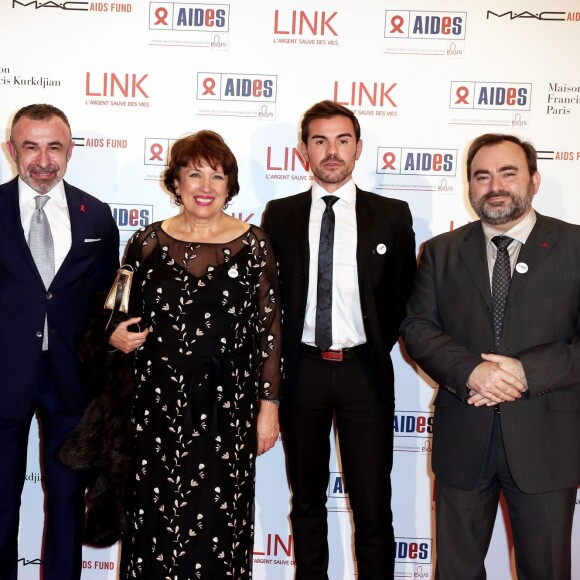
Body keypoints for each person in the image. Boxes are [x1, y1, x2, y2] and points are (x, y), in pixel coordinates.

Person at [401, 133, 580, 580]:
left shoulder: (575, 246)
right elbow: (417, 328)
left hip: (546, 442)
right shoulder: (440, 252)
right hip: (464, 437)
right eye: (482, 176)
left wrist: (524, 371)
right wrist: (474, 371)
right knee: (456, 572)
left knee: (546, 571)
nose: (494, 185)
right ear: (469, 187)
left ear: (534, 180)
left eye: (507, 173)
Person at [108, 130, 282, 579]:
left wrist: (268, 408)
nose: (205, 187)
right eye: (194, 174)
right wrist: (114, 336)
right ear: (176, 182)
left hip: (226, 411)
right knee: (153, 522)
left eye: (217, 176)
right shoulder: (144, 243)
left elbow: (269, 333)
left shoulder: (255, 245)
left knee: (218, 526)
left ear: (230, 185)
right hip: (155, 407)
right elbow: (113, 313)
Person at [262, 100, 416, 579]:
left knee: (373, 505)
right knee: (306, 501)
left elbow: (401, 298)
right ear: (303, 150)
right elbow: (272, 301)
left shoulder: (390, 214)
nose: (332, 151)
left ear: (358, 148)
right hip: (301, 371)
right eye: (320, 140)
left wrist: (367, 348)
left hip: (363, 374)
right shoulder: (280, 214)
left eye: (342, 140)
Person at [0, 104, 119, 580]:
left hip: (73, 382)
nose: (43, 160)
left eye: (54, 147)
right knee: (2, 499)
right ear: (12, 151)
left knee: (69, 500)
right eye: (31, 147)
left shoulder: (97, 217)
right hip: (5, 377)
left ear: (70, 151)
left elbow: (107, 302)